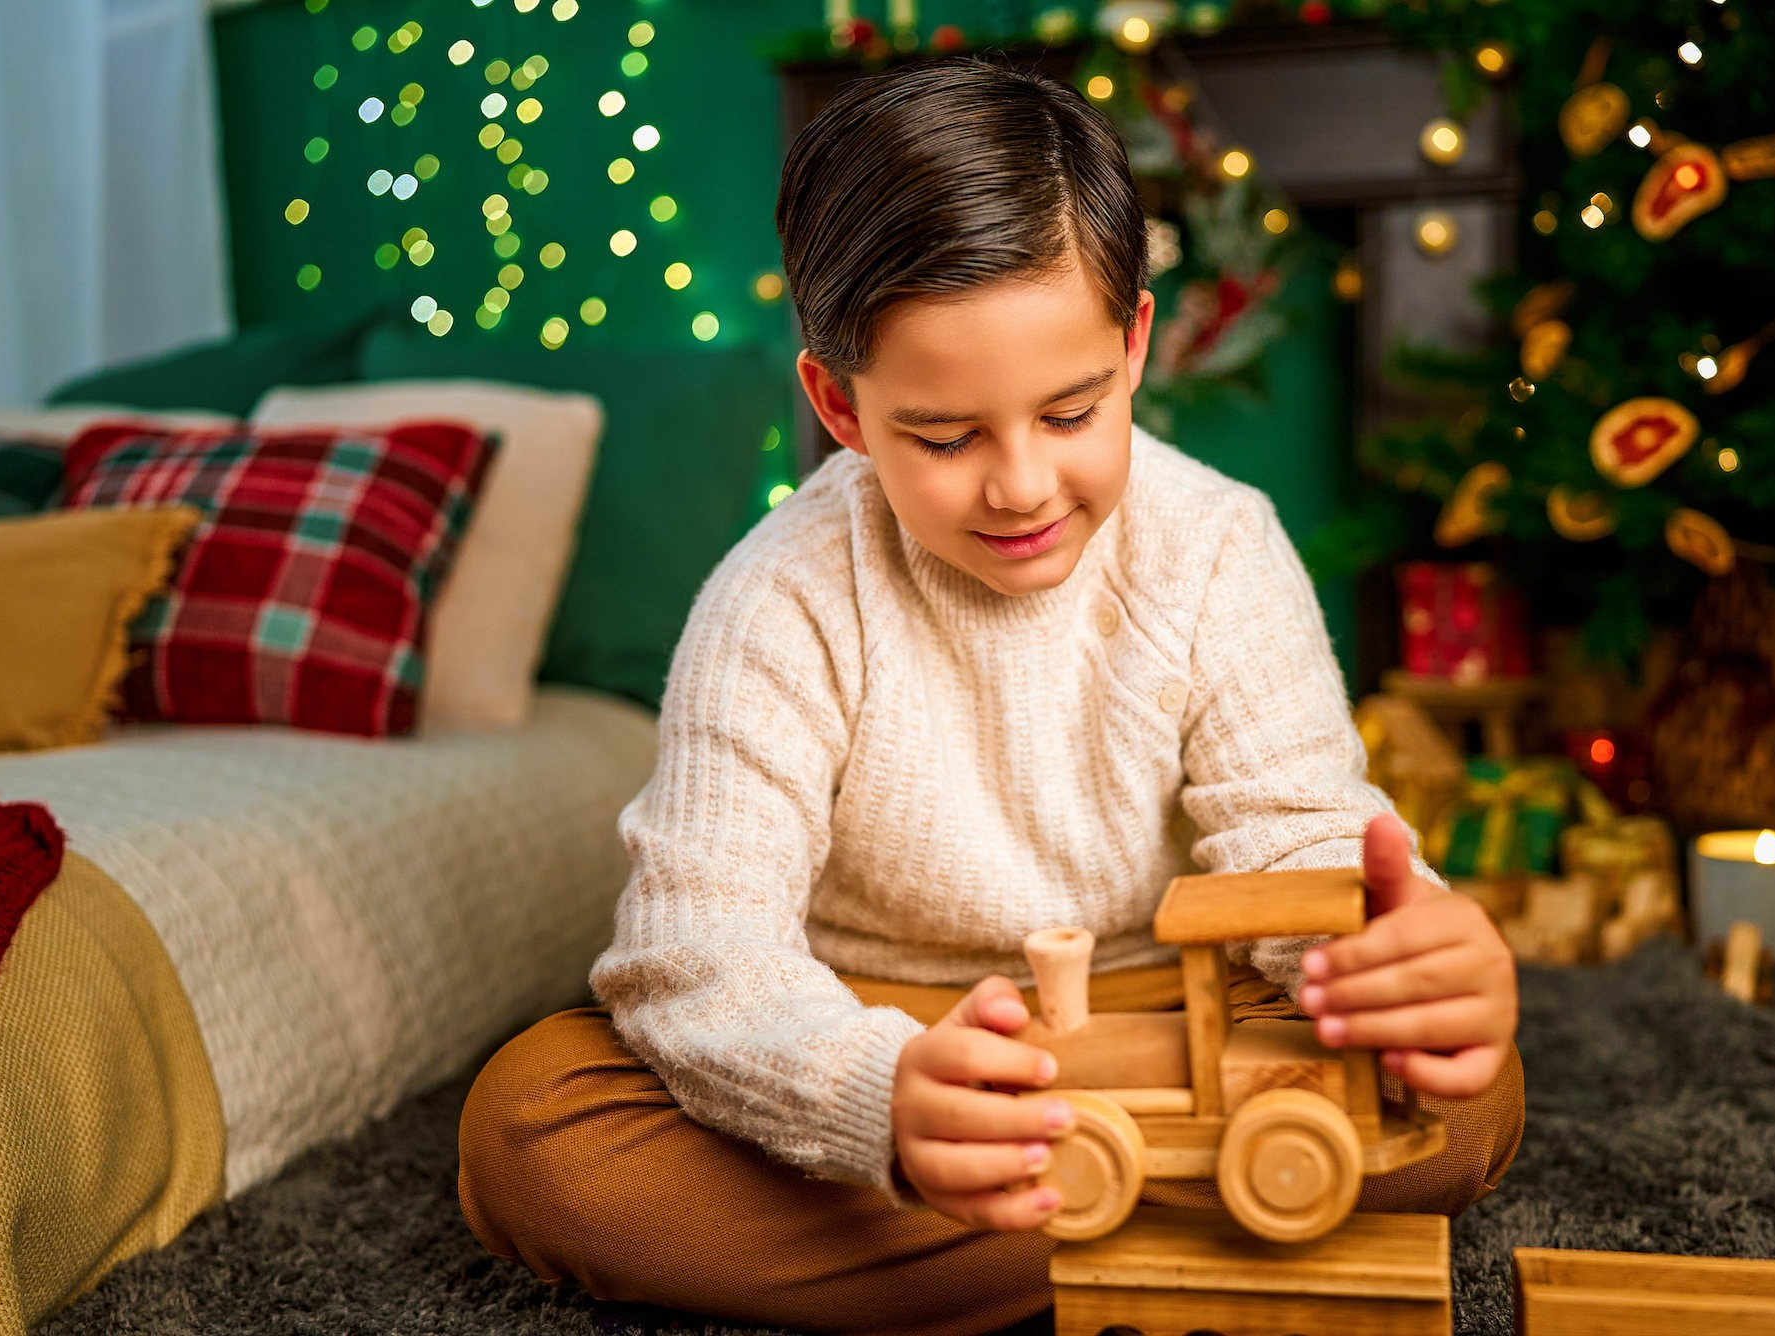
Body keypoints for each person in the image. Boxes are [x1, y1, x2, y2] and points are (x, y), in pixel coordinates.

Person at [457, 54, 1522, 1336]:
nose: (1019, 486)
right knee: (528, 1127)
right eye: (946, 437)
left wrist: (1391, 962)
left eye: (1070, 412)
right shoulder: (777, 600)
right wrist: (882, 1101)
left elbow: (1291, 841)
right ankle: (1220, 1240)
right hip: (886, 1034)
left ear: (1131, 343)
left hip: (1169, 1016)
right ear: (838, 406)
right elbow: (698, 957)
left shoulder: (1217, 544)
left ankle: (1045, 1234)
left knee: (1471, 1091)